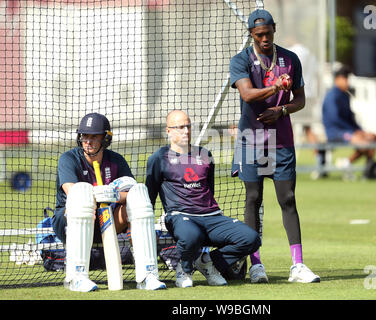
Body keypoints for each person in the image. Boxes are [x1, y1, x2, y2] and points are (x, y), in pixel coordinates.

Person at [229, 9, 320, 284]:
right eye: (259, 35)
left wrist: (280, 110)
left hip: (280, 139)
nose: (265, 38)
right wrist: (275, 87)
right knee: (253, 199)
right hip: (252, 140)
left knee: (288, 199)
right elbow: (246, 94)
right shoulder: (241, 60)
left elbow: (300, 99)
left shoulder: (290, 59)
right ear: (251, 35)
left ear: (274, 28)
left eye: (268, 32)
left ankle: (298, 265)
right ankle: (256, 264)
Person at [145, 110, 261, 288]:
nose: (186, 131)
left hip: (212, 216)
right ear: (168, 131)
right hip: (180, 216)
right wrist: (145, 229)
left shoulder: (205, 155)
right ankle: (184, 269)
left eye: (188, 126)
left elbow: (209, 190)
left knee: (251, 238)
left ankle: (208, 262)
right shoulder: (158, 158)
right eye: (180, 127)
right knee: (191, 236)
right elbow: (150, 196)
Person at [52, 112, 166, 292]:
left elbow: (130, 191)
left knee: (140, 194)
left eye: (93, 137)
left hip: (106, 221)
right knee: (81, 194)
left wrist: (113, 195)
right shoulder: (69, 158)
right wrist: (97, 194)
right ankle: (77, 277)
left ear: (105, 139)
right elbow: (71, 191)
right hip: (70, 221)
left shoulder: (116, 160)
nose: (87, 141)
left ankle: (147, 275)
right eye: (84, 136)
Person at [322, 66, 376, 168]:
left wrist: (360, 130)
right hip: (335, 132)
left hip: (348, 131)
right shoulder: (332, 96)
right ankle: (351, 164)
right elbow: (335, 119)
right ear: (337, 79)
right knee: (364, 144)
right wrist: (354, 131)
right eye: (345, 79)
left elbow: (350, 118)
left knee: (373, 137)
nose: (348, 82)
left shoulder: (345, 96)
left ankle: (354, 165)